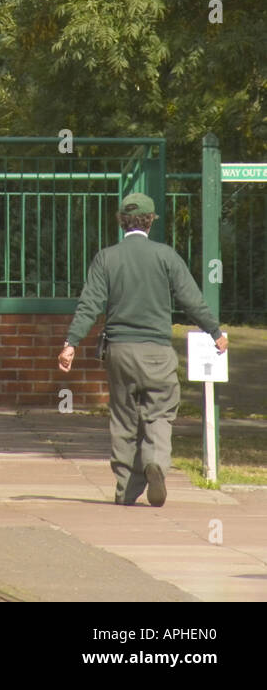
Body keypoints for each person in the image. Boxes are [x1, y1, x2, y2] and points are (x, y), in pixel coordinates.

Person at [58, 193, 228, 507]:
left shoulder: (106, 258)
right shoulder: (166, 256)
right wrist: (215, 331)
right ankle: (156, 463)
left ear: (122, 221)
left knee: (124, 419)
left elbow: (90, 305)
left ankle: (125, 489)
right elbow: (191, 299)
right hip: (158, 352)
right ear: (150, 221)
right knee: (160, 414)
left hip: (120, 351)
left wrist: (71, 343)